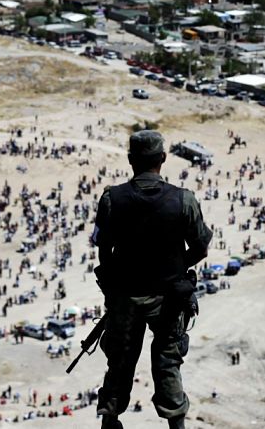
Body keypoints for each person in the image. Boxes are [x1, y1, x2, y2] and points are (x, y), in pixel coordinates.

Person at [92, 130, 213, 429]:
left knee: (120, 360)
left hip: (126, 296)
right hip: (168, 297)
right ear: (163, 158)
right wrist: (172, 269)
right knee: (168, 360)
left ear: (131, 160)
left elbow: (103, 251)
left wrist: (117, 284)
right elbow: (200, 248)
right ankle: (176, 424)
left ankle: (110, 420)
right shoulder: (183, 199)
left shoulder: (111, 199)